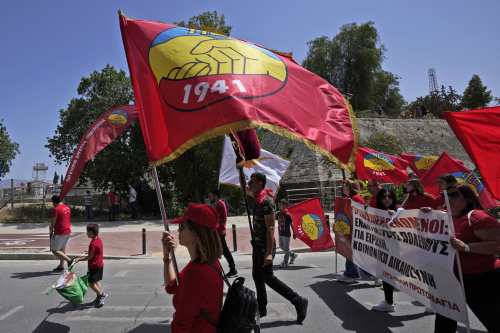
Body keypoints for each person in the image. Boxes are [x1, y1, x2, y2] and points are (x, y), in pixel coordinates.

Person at [243, 172, 308, 323]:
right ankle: (262, 307)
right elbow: (244, 187)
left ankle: (298, 300)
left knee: (269, 278)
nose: (249, 185)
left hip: (265, 247)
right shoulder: (257, 197)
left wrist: (269, 253)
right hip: (257, 245)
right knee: (257, 276)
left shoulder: (267, 201)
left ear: (260, 183)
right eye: (249, 182)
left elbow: (271, 228)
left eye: (252, 182)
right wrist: (239, 167)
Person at [435, 183, 500, 332]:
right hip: (451, 278)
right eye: (446, 194)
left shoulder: (477, 217)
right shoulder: (442, 216)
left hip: (481, 279)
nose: (449, 197)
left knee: (493, 319)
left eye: (455, 194)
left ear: (468, 198)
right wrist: (425, 213)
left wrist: (466, 247)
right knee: (445, 319)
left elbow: (498, 245)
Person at [161, 203, 224, 332]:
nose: (178, 230)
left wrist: (177, 317)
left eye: (182, 226)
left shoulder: (196, 272)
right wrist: (167, 255)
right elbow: (171, 286)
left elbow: (181, 325)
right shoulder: (209, 262)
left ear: (195, 233)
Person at [372, 188, 403, 312]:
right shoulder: (375, 212)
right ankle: (389, 302)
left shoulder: (400, 210)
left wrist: (394, 216)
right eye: (384, 196)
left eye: (389, 196)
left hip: (400, 250)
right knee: (386, 275)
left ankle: (428, 302)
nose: (387, 199)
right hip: (383, 249)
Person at [337, 180, 365, 283]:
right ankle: (351, 274)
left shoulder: (357, 199)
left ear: (348, 187)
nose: (343, 188)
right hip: (350, 229)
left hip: (355, 230)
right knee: (351, 252)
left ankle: (351, 275)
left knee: (356, 253)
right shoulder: (348, 199)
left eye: (344, 186)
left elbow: (361, 213)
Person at [74, 223, 107, 307]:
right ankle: (99, 299)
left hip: (94, 266)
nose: (86, 233)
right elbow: (95, 252)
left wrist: (79, 259)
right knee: (96, 281)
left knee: (90, 282)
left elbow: (90, 257)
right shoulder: (98, 240)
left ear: (91, 232)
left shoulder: (92, 244)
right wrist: (88, 251)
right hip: (99, 264)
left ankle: (101, 295)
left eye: (87, 232)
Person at [209, 189, 238, 278]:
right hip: (219, 231)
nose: (210, 198)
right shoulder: (220, 204)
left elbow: (215, 219)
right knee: (217, 251)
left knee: (224, 251)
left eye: (211, 196)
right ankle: (215, 269)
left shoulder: (219, 205)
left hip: (219, 232)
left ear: (215, 196)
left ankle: (233, 269)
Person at [50, 195, 74, 271]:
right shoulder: (67, 207)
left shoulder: (56, 209)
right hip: (67, 230)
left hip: (60, 231)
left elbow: (53, 222)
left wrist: (51, 230)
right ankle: (61, 266)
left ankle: (69, 260)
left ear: (54, 202)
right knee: (62, 248)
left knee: (54, 250)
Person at [276, 199, 298, 268]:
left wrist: (294, 233)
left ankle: (286, 261)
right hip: (281, 233)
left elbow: (291, 224)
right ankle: (292, 254)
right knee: (281, 246)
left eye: (280, 205)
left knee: (286, 248)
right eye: (278, 204)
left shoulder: (287, 215)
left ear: (285, 206)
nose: (279, 206)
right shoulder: (278, 213)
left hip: (286, 234)